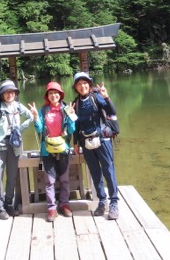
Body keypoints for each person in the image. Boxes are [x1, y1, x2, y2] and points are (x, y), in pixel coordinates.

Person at [72, 71, 120, 220]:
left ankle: (113, 203)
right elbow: (76, 124)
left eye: (85, 83)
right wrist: (75, 142)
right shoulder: (76, 103)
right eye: (79, 84)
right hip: (86, 142)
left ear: (89, 84)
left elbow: (112, 111)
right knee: (95, 172)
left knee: (108, 170)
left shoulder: (96, 97)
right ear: (76, 87)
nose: (82, 86)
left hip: (102, 140)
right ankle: (102, 201)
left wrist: (106, 97)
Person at [28, 82, 76, 222]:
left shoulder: (67, 109)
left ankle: (65, 204)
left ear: (60, 95)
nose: (53, 95)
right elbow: (39, 129)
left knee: (64, 180)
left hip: (64, 148)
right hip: (46, 150)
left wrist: (72, 117)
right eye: (50, 93)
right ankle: (51, 208)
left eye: (56, 93)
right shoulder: (43, 110)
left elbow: (72, 130)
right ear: (47, 96)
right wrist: (36, 117)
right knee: (49, 181)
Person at [0, 79, 33, 219]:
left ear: (15, 93)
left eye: (11, 92)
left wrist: (20, 128)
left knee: (12, 176)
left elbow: (30, 117)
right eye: (6, 92)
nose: (9, 94)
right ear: (2, 95)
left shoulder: (18, 106)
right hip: (0, 147)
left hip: (15, 146)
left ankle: (8, 203)